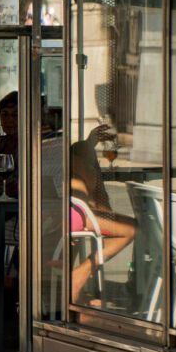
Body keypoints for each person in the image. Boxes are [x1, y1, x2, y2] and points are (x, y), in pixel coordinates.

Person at [69, 125, 136, 306]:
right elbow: (91, 204)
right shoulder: (80, 162)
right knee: (132, 228)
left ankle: (74, 282)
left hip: (54, 215)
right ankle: (79, 276)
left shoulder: (61, 157)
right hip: (73, 217)